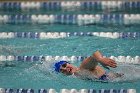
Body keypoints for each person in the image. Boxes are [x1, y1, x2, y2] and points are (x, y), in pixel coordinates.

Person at [54, 51, 124, 81]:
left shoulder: (82, 69)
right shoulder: (78, 75)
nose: (66, 68)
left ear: (68, 63)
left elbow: (94, 55)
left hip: (123, 76)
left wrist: (100, 59)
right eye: (62, 70)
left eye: (64, 65)